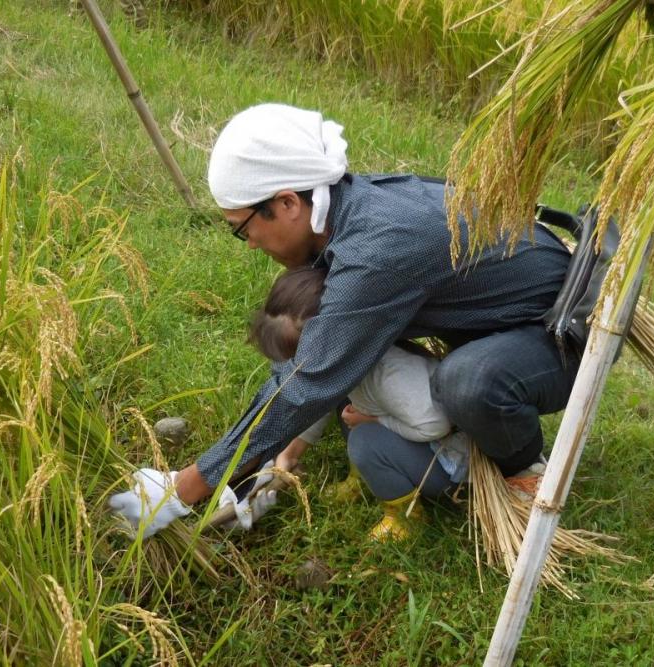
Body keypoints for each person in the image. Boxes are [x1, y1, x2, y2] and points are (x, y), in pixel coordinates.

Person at [110, 103, 579, 538]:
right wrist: (271, 456)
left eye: (243, 228)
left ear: (289, 203)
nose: (249, 243)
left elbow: (309, 379)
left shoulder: (377, 249)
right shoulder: (341, 213)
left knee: (469, 382)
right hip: (490, 320)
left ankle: (523, 471)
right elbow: (307, 361)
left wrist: (186, 488)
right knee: (334, 343)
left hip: (557, 333)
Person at [248, 265, 470, 540]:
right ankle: (366, 477)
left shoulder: (389, 374)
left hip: (448, 461)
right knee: (346, 407)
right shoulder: (346, 355)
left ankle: (405, 517)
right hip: (415, 428)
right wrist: (289, 455)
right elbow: (315, 395)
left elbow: (435, 425)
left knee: (364, 441)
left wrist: (374, 421)